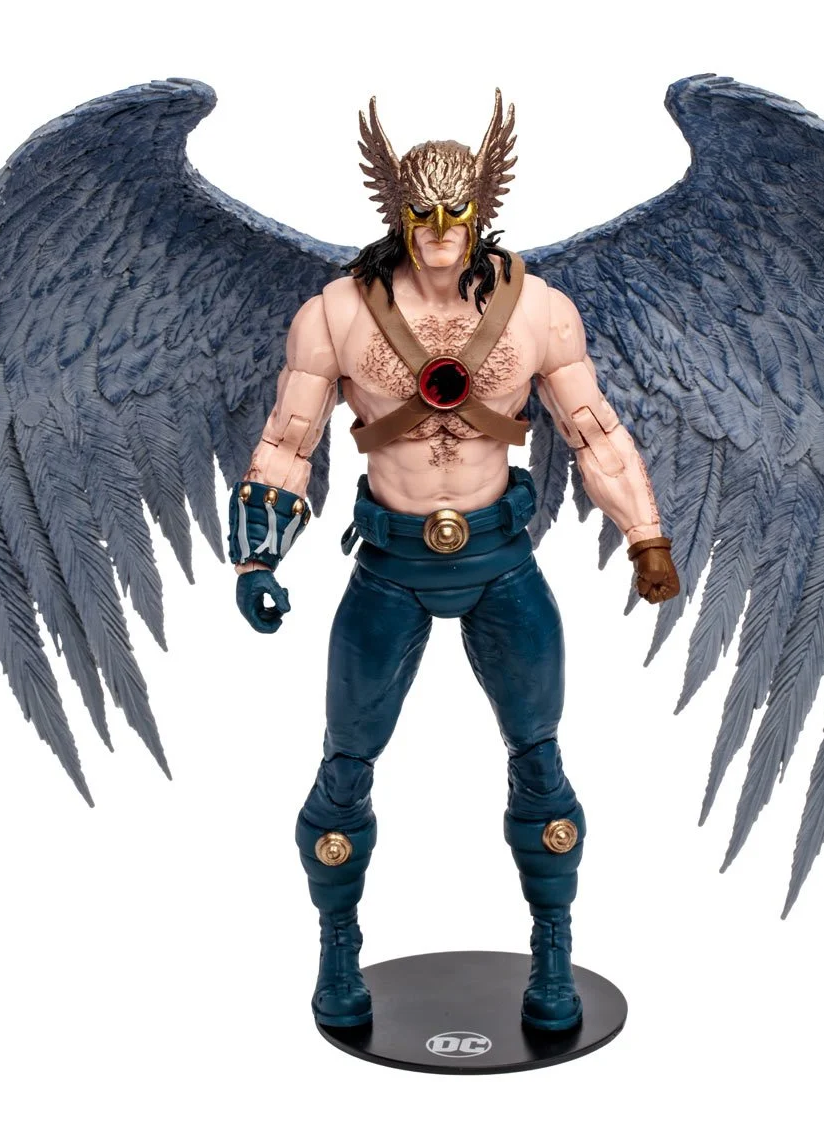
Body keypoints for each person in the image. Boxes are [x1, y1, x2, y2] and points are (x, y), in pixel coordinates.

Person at [229, 92, 680, 1033]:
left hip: (500, 558)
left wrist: (646, 535)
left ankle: (552, 954)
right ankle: (338, 951)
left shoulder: (539, 312)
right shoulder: (336, 314)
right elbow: (288, 439)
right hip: (389, 564)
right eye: (422, 212)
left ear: (482, 207)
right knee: (344, 769)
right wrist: (258, 559)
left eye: (455, 211)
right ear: (397, 209)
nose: (439, 231)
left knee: (541, 765)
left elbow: (593, 430)